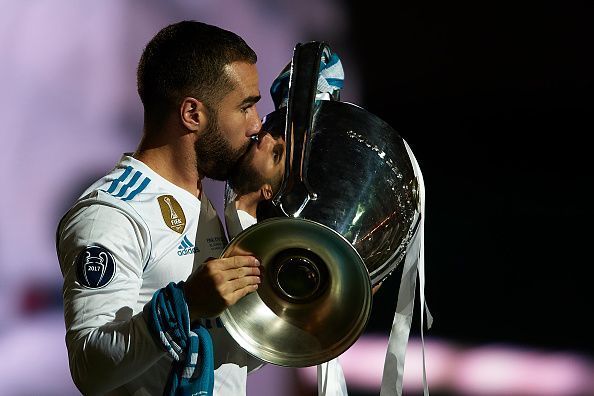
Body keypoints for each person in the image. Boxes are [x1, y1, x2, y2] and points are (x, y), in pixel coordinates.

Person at [56, 20, 267, 395]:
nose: (256, 125)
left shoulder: (205, 202)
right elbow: (90, 366)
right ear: (192, 114)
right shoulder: (111, 213)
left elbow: (228, 358)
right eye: (246, 107)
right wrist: (184, 304)